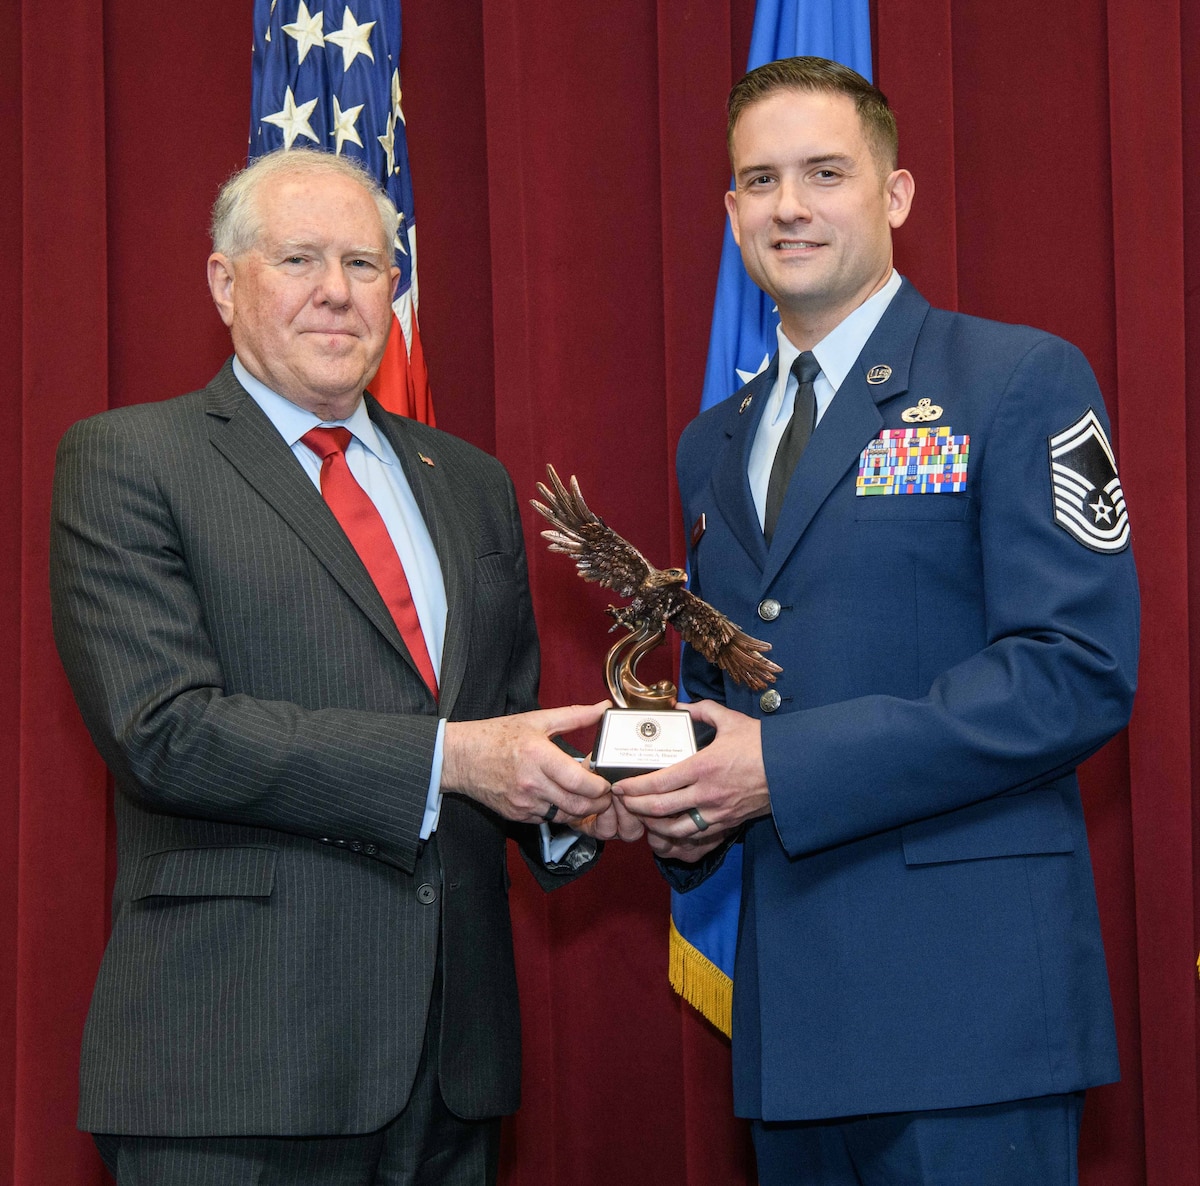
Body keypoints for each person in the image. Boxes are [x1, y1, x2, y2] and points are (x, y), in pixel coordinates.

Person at [614, 57, 1139, 1184]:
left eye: (824, 172)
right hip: (793, 1022)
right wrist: (684, 795)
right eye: (760, 180)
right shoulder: (713, 442)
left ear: (894, 195)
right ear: (731, 212)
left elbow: (1075, 670)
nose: (789, 206)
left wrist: (778, 769)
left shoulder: (1019, 380)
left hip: (970, 1016)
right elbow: (745, 684)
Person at [50, 148, 619, 1186]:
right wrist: (452, 759)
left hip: (451, 1069)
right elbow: (165, 733)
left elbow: (500, 722)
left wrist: (575, 803)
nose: (335, 291)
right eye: (299, 258)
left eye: (364, 262)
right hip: (238, 1069)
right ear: (226, 284)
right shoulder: (131, 460)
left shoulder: (472, 483)